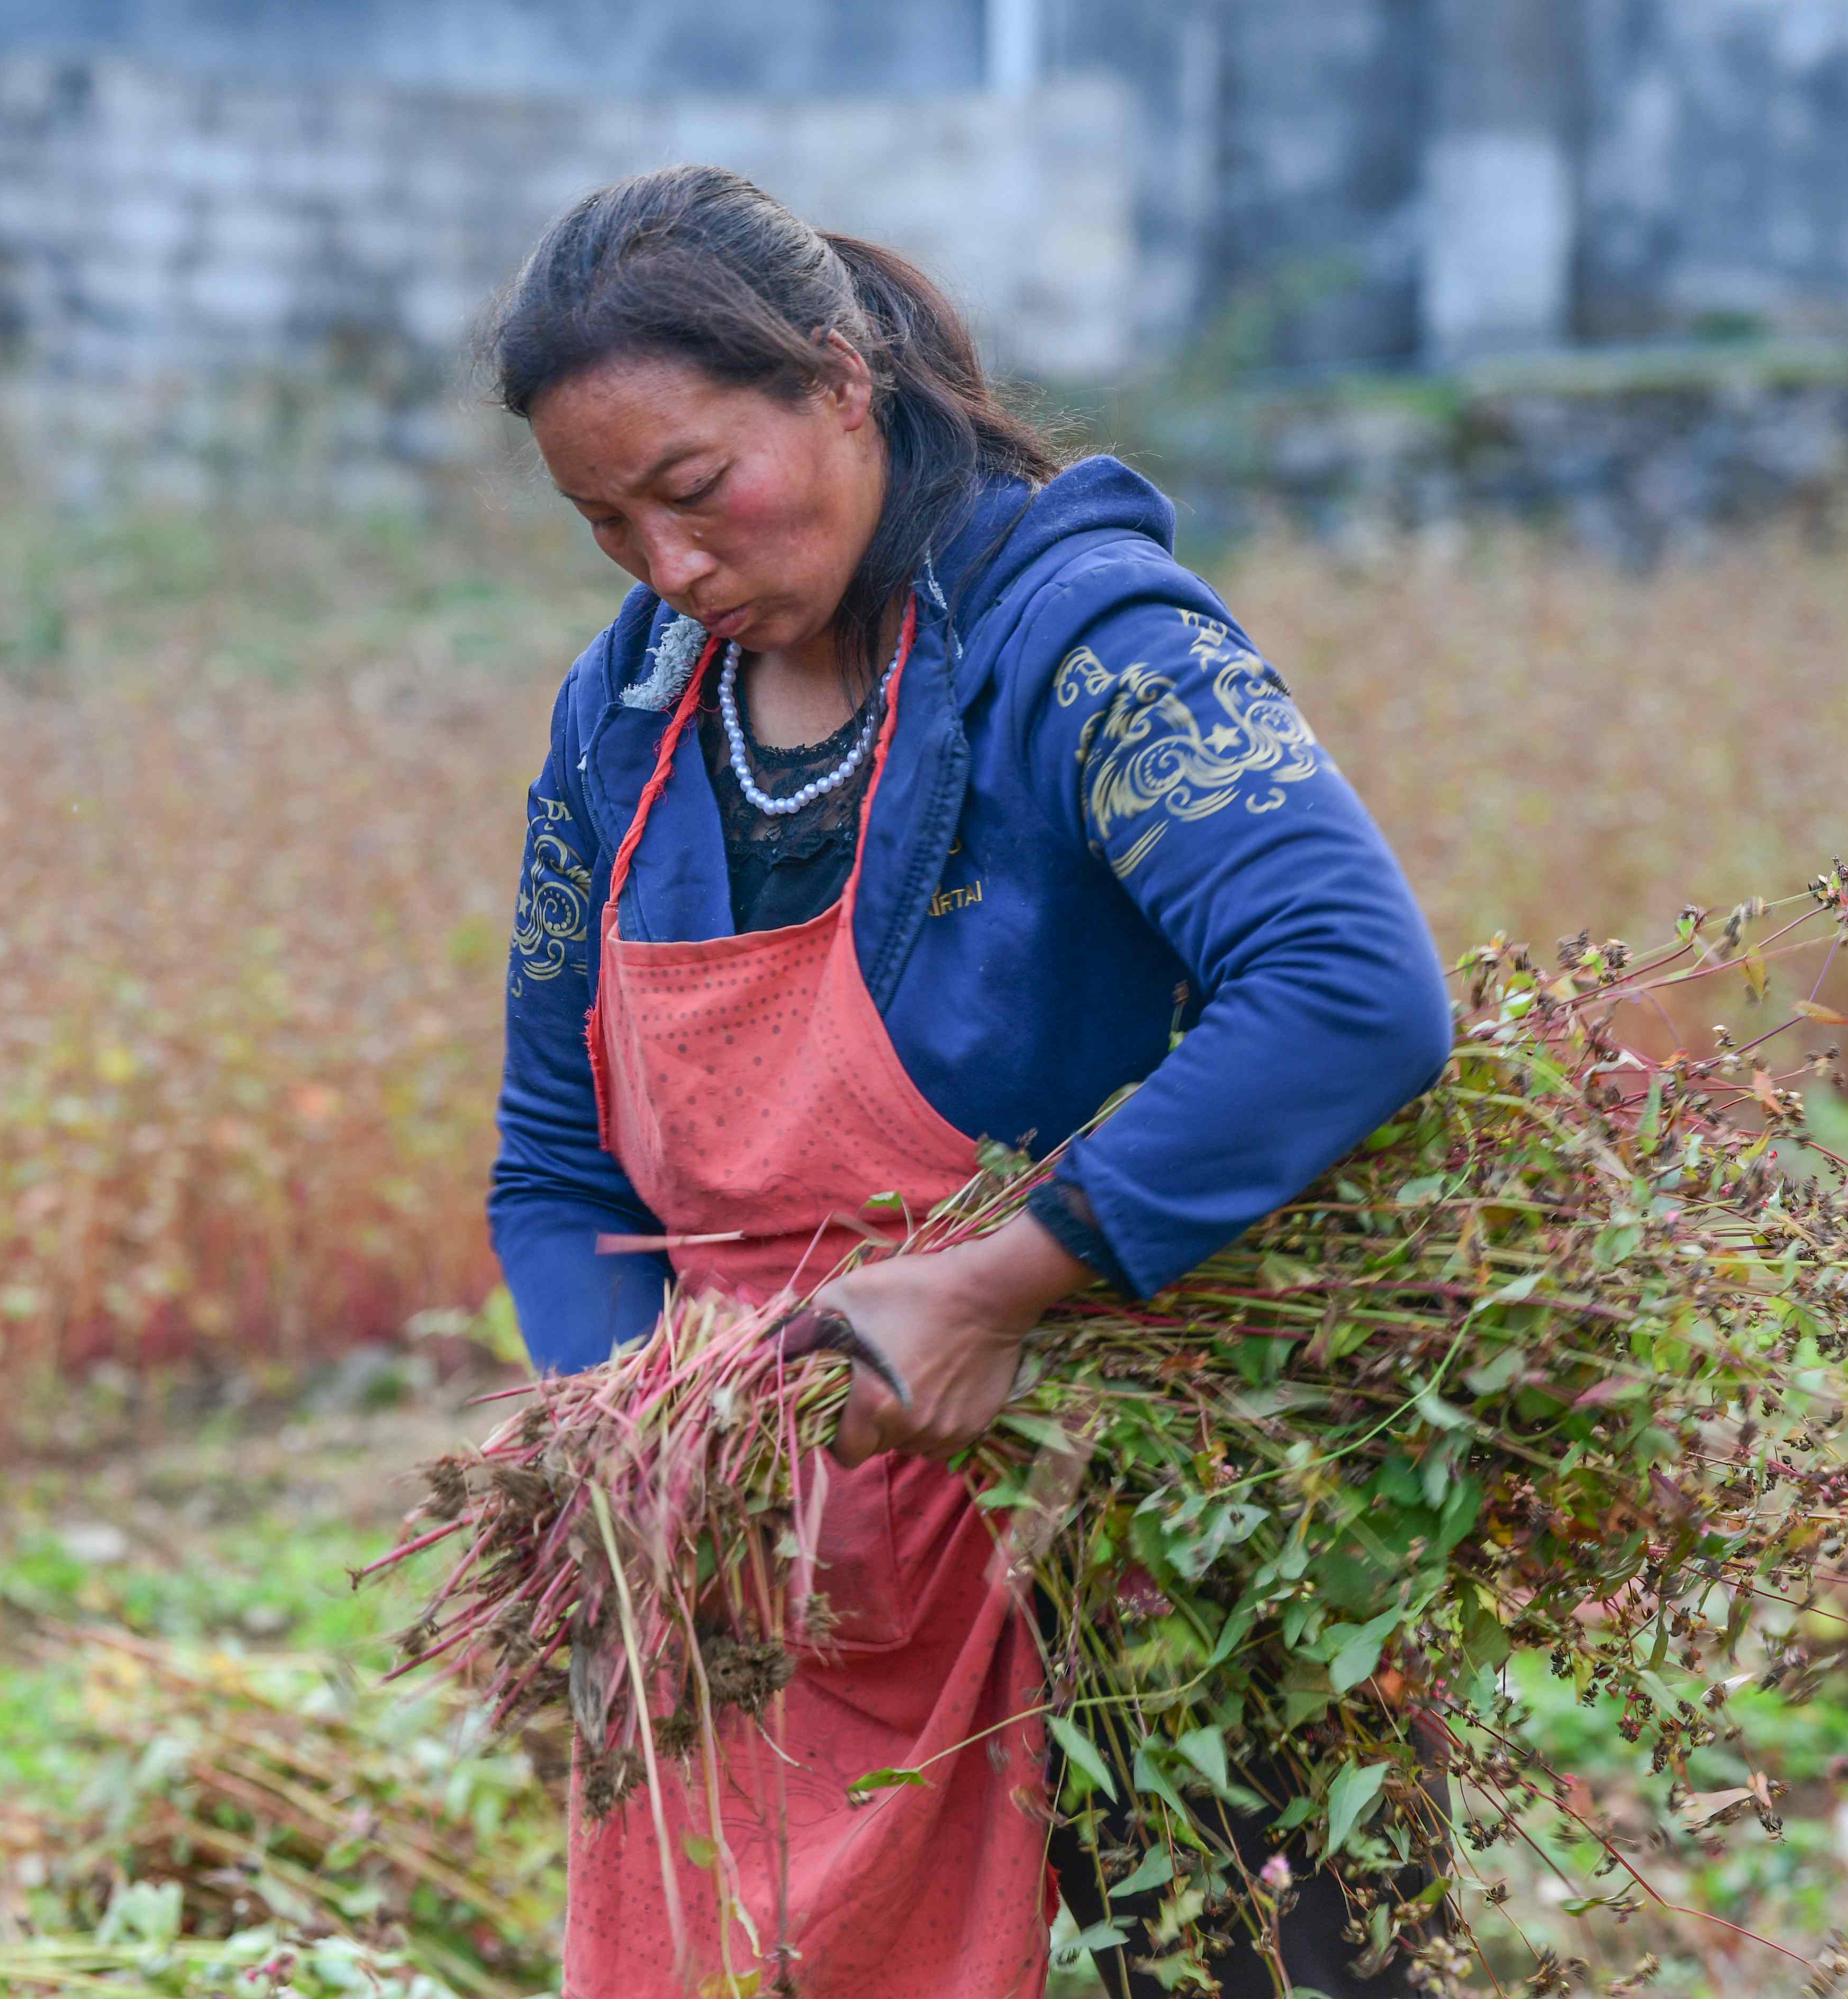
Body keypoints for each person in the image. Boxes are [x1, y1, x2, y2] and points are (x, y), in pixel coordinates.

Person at [483, 166, 1453, 1999]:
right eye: (607, 526)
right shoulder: (621, 723)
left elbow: (1352, 990)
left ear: (843, 385)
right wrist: (649, 1452)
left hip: (1142, 1520)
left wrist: (995, 1288)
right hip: (790, 1577)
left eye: (696, 493)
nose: (670, 571)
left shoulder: (1090, 649)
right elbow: (555, 1163)